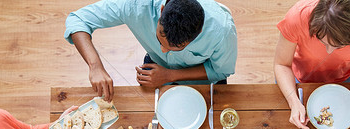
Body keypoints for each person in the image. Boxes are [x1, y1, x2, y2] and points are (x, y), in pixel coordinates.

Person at [65, 0, 237, 101]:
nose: (162, 51)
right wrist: (95, 66)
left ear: (199, 33)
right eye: (159, 40)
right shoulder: (134, 5)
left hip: (201, 80)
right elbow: (78, 20)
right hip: (155, 73)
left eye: (175, 48)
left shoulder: (222, 31)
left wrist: (170, 75)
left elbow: (220, 71)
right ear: (162, 11)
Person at [274, 0, 350, 129]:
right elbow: (282, 64)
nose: (328, 52)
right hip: (298, 75)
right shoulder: (297, 17)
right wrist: (293, 102)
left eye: (338, 46)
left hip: (348, 73)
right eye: (323, 42)